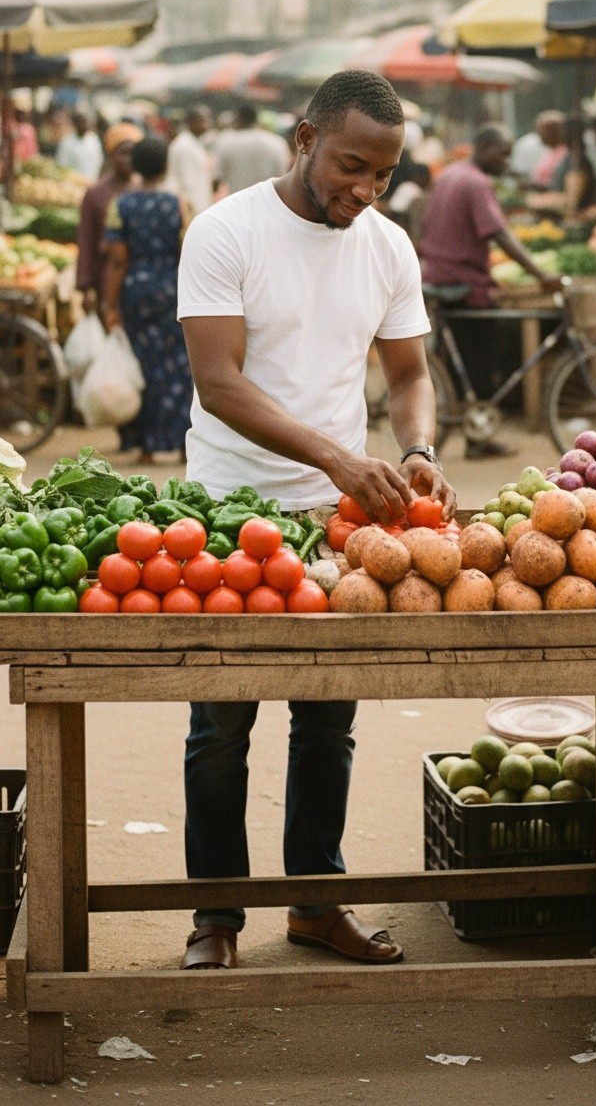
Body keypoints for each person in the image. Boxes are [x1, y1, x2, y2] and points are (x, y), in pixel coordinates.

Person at [176, 69, 455, 971]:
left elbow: (410, 378)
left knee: (328, 718)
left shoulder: (387, 246)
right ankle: (216, 917)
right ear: (304, 138)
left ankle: (314, 902)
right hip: (226, 510)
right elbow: (218, 383)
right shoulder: (225, 231)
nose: (364, 189)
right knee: (221, 724)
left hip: (335, 519)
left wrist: (415, 451)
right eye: (349, 165)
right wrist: (334, 453)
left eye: (381, 174)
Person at [420, 125, 561, 451]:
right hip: (463, 282)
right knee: (483, 360)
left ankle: (475, 431)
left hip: (439, 274)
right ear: (484, 148)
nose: (506, 160)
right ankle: (479, 438)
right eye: (503, 152)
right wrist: (541, 274)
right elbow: (500, 234)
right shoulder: (477, 183)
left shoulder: (451, 175)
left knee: (468, 361)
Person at [101, 135, 193, 463]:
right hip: (173, 291)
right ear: (166, 166)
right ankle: (184, 444)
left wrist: (110, 304)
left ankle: (147, 447)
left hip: (136, 292)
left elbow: (117, 259)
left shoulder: (121, 205)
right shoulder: (178, 204)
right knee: (180, 367)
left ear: (135, 167)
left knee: (144, 365)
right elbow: (187, 251)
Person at [75, 123, 143, 312]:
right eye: (123, 153)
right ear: (111, 155)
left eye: (133, 153)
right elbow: (86, 240)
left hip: (140, 281)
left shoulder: (145, 190)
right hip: (105, 279)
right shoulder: (95, 194)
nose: (128, 160)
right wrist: (85, 287)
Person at [214, 101, 290, 194]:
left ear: (238, 118)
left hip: (238, 202)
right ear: (257, 119)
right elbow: (283, 176)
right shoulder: (277, 142)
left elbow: (218, 178)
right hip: (268, 201)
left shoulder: (226, 142)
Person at [167, 105, 214, 215]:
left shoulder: (192, 143)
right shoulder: (184, 146)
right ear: (192, 122)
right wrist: (196, 213)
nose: (208, 123)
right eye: (203, 120)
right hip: (192, 210)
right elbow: (188, 185)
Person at [56, 108, 104, 181]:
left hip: (92, 181)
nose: (83, 125)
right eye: (80, 122)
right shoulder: (67, 142)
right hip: (73, 184)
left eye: (85, 122)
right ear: (75, 124)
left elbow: (99, 159)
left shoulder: (93, 139)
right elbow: (62, 166)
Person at [530, 111, 566, 187]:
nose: (539, 135)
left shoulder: (565, 153)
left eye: (541, 130)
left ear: (553, 131)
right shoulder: (551, 152)